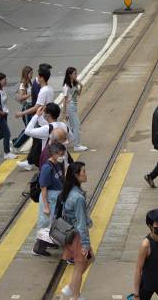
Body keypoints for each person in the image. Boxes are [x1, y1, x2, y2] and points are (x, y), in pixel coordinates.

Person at [59, 162, 94, 300]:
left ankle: (70, 288)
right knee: (80, 266)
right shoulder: (78, 198)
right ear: (76, 175)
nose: (86, 174)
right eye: (83, 171)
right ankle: (75, 296)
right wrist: (85, 244)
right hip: (78, 237)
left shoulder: (68, 191)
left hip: (70, 233)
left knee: (89, 259)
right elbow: (81, 223)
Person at [17, 65, 54, 171]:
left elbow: (37, 107)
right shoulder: (49, 89)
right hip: (45, 120)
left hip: (42, 121)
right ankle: (31, 162)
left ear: (42, 78)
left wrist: (21, 113)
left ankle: (40, 164)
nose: (36, 77)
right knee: (37, 142)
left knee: (40, 143)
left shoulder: (43, 91)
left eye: (38, 75)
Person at [33, 142, 66, 257]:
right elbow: (44, 188)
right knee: (45, 223)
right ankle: (38, 248)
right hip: (49, 199)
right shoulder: (47, 167)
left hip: (57, 198)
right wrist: (46, 206)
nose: (63, 156)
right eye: (61, 154)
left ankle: (49, 241)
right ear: (54, 154)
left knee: (53, 222)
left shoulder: (58, 164)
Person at [62, 67, 88, 152]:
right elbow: (65, 100)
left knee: (71, 126)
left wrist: (80, 86)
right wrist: (64, 112)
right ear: (70, 75)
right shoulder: (66, 86)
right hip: (70, 106)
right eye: (74, 74)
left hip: (74, 106)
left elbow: (79, 94)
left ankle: (63, 141)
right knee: (76, 125)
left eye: (76, 73)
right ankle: (77, 145)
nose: (76, 75)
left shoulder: (74, 83)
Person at [11, 66, 33, 150]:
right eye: (30, 73)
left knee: (30, 128)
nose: (31, 75)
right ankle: (16, 144)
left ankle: (15, 142)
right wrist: (31, 94)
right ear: (26, 74)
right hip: (27, 108)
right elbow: (20, 97)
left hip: (31, 107)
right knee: (29, 129)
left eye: (32, 73)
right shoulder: (22, 85)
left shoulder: (29, 83)